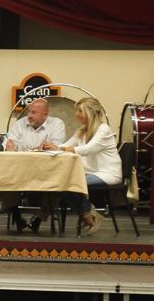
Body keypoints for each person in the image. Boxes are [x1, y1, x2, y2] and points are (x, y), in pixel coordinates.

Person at [42, 96, 123, 234]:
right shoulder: (82, 131)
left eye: (80, 111)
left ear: (90, 113)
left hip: (107, 174)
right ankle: (88, 214)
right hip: (90, 172)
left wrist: (59, 149)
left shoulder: (104, 129)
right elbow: (66, 145)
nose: (76, 114)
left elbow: (87, 150)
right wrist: (51, 146)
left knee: (70, 182)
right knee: (65, 182)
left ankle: (88, 216)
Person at [1, 98, 67, 232]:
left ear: (45, 115)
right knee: (2, 179)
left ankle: (39, 218)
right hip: (21, 168)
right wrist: (8, 146)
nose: (29, 115)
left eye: (34, 112)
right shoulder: (20, 124)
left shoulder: (57, 124)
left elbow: (56, 147)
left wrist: (50, 147)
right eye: (29, 111)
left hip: (47, 169)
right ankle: (17, 217)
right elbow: (9, 142)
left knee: (59, 182)